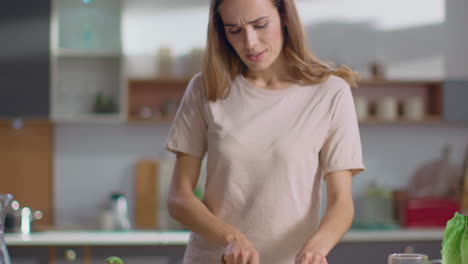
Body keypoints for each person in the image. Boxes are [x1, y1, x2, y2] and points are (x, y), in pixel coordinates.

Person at [165, 0, 365, 263]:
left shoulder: (330, 93)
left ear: (284, 17)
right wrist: (230, 237)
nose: (249, 42)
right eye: (234, 30)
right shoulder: (206, 88)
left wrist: (316, 249)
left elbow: (341, 204)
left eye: (260, 25)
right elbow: (179, 197)